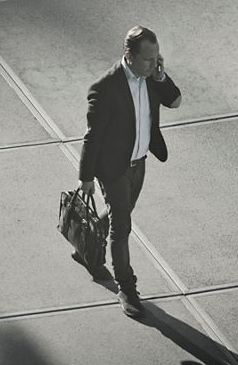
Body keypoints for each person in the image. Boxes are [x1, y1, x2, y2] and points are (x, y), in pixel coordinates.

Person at [76, 26, 182, 318]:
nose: (153, 64)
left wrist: (160, 76)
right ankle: (127, 288)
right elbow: (92, 136)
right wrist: (86, 176)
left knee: (119, 214)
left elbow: (175, 101)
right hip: (113, 167)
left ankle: (85, 242)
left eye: (157, 58)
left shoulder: (152, 79)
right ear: (129, 56)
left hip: (140, 163)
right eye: (148, 60)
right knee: (121, 226)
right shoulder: (105, 88)